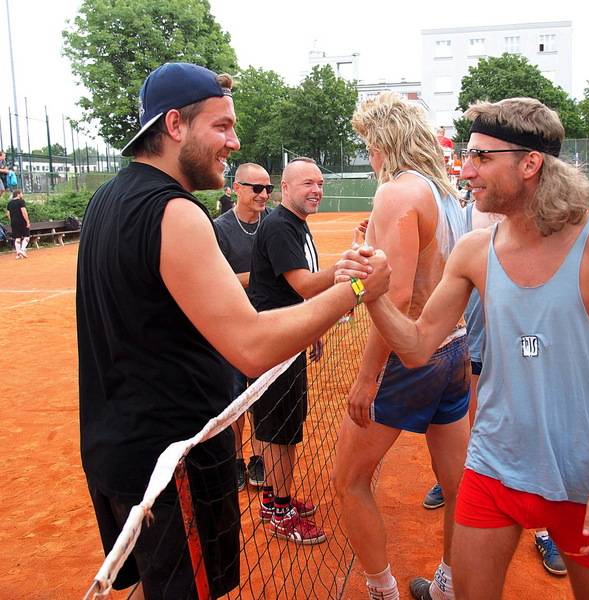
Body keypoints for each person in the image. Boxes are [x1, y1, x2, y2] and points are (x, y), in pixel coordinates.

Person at [77, 62, 389, 600]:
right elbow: (251, 346)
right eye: (221, 126)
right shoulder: (175, 212)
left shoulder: (108, 198)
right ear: (175, 125)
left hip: (123, 453)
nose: (235, 140)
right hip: (173, 465)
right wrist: (357, 290)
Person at [355, 97, 589, 600]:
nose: (465, 170)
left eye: (481, 158)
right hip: (491, 468)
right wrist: (370, 291)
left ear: (530, 163)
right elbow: (415, 346)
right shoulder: (475, 251)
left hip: (583, 478)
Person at [332, 92, 468, 600]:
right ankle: (449, 587)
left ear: (385, 141)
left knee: (348, 480)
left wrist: (368, 376)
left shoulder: (397, 193)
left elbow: (397, 295)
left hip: (410, 357)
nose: (368, 156)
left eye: (369, 144)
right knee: (457, 487)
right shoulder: (445, 193)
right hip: (453, 349)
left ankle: (382, 591)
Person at [247, 156, 339, 545]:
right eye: (307, 184)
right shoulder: (281, 226)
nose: (316, 189)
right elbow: (305, 285)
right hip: (274, 342)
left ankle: (274, 500)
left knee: (284, 426)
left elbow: (297, 293)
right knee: (279, 429)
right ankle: (279, 509)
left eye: (319, 183)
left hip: (288, 336)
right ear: (285, 188)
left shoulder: (294, 225)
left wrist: (310, 324)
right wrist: (347, 267)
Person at [213, 163, 274, 491]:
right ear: (236, 187)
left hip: (268, 326)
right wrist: (262, 276)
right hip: (232, 330)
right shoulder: (219, 229)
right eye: (256, 188)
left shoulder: (274, 224)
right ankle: (236, 461)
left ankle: (260, 459)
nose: (264, 195)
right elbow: (217, 283)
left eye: (268, 189)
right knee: (236, 400)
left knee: (263, 398)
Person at [5, 189, 30, 259]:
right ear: (18, 194)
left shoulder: (9, 203)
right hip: (22, 221)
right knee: (27, 236)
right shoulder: (21, 201)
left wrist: (12, 220)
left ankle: (18, 254)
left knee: (17, 238)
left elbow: (8, 214)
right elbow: (24, 212)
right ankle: (22, 250)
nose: (22, 195)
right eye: (21, 193)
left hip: (14, 222)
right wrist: (27, 221)